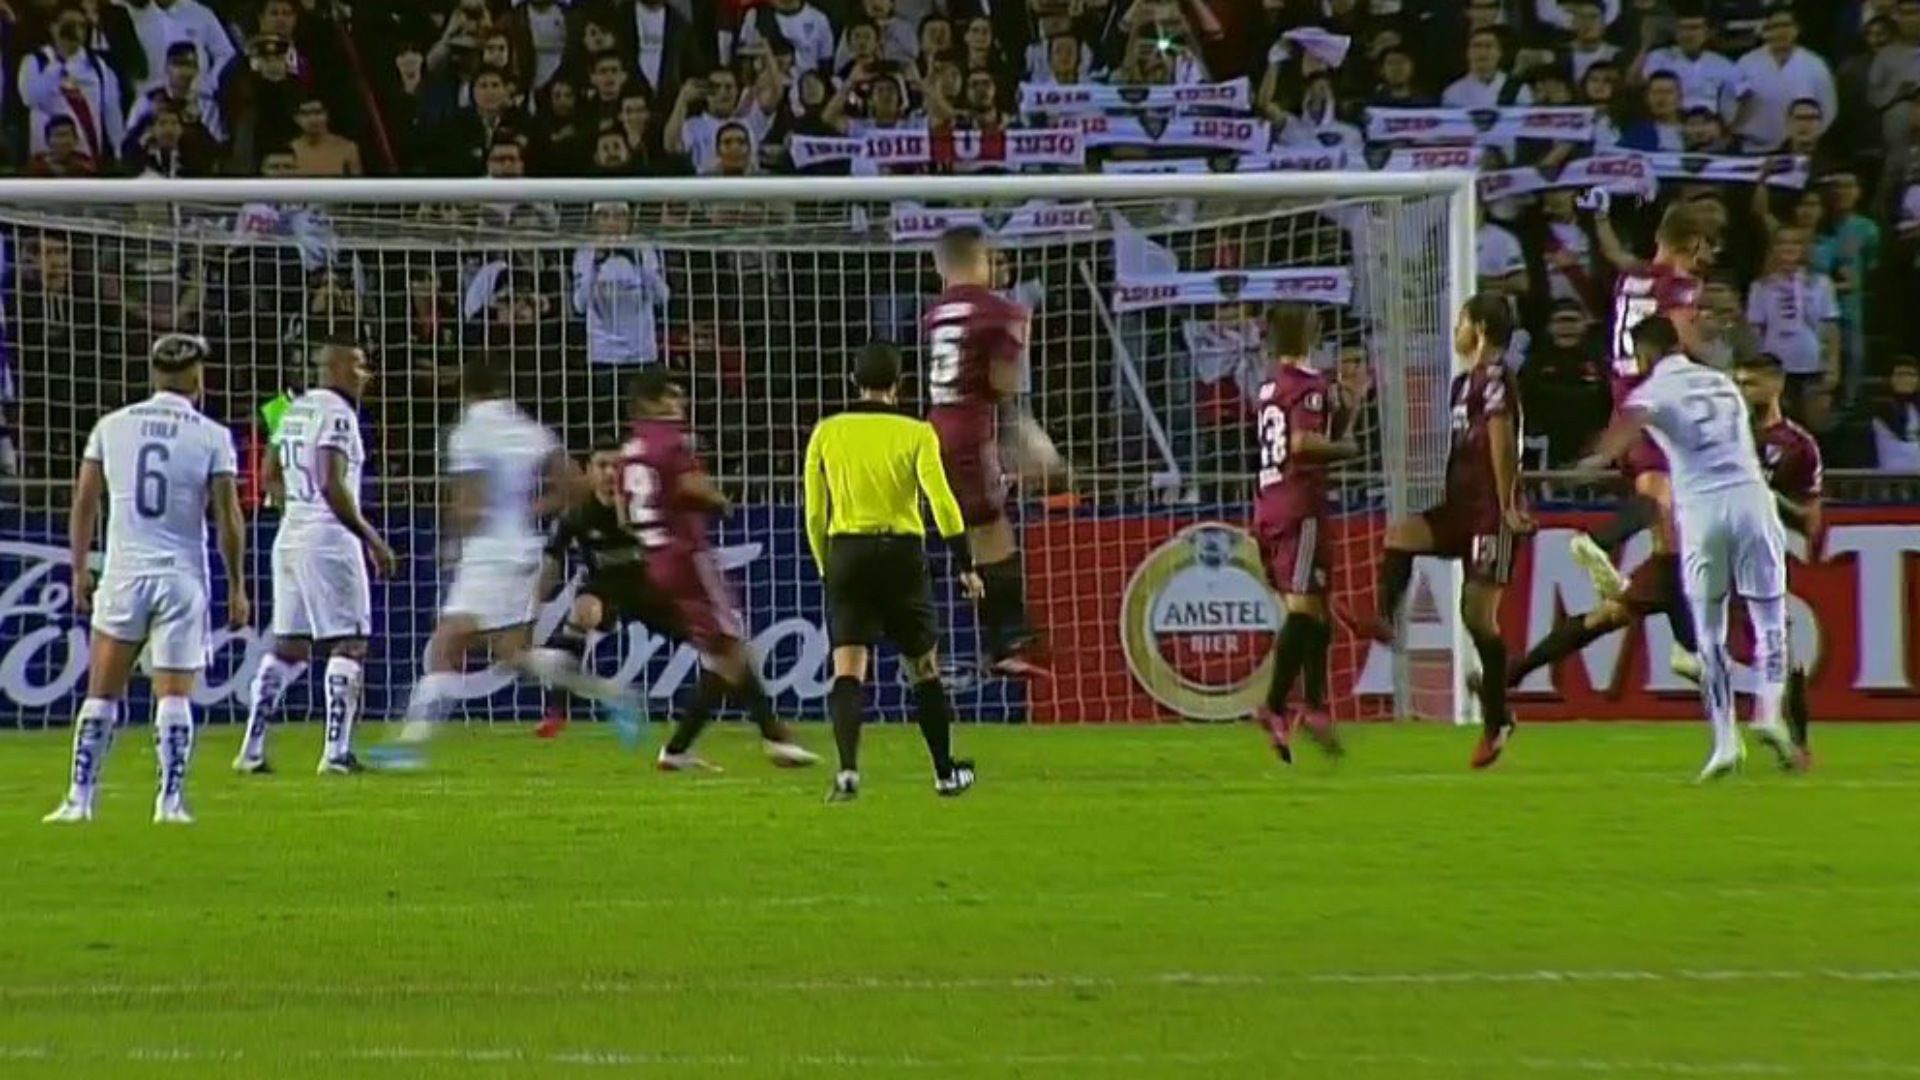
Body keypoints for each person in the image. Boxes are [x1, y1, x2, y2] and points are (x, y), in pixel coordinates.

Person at [377, 357, 640, 768]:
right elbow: (575, 484)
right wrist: (528, 510)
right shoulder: (527, 429)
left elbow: (469, 502)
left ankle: (408, 747)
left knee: (446, 646)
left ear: (466, 392)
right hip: (523, 549)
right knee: (512, 653)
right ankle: (608, 693)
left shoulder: (467, 433)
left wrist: (451, 542)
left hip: (488, 553)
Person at [46, 335, 249, 824]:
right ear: (197, 379)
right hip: (181, 577)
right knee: (174, 695)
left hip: (124, 573)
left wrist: (78, 568)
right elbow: (229, 517)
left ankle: (79, 798)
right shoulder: (212, 435)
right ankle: (170, 801)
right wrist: (238, 585)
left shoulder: (111, 426)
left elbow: (85, 502)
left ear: (153, 374)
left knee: (101, 693)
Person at [1580, 317, 1794, 780]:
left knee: (1710, 632)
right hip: (1753, 500)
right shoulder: (1720, 381)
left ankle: (1724, 742)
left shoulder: (1654, 389)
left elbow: (1631, 422)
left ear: (1647, 354)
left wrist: (1599, 455)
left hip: (1703, 510)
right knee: (1769, 617)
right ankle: (1770, 713)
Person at [1349, 294, 1532, 770]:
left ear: (1481, 329)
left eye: (1461, 322)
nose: (1455, 331)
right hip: (1460, 508)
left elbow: (1501, 439)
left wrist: (1510, 503)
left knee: (1476, 618)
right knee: (1400, 535)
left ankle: (1497, 720)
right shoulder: (1459, 385)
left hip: (1491, 512)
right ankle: (1385, 619)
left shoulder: (1494, 379)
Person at [803, 342, 981, 802]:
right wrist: (965, 563)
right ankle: (944, 773)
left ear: (853, 380)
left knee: (848, 666)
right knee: (923, 668)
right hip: (901, 553)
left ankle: (846, 771)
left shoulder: (827, 431)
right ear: (899, 385)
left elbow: (814, 512)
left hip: (846, 550)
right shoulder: (916, 432)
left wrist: (828, 565)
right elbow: (941, 500)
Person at [622, 370, 819, 771]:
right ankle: (772, 737)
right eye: (672, 396)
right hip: (688, 556)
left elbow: (624, 516)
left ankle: (683, 749)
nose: (681, 403)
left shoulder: (630, 450)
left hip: (654, 557)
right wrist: (720, 502)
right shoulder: (673, 440)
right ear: (650, 403)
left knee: (723, 653)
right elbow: (693, 487)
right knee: (731, 643)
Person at [237, 339, 397, 776]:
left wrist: (299, 512)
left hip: (290, 537)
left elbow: (268, 476)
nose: (367, 376)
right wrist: (370, 537)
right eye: (360, 366)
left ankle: (251, 748)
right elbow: (330, 480)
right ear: (339, 368)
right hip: (330, 539)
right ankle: (336, 752)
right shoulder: (337, 414)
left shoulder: (295, 409)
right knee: (350, 642)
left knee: (289, 648)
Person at [1572, 196, 1712, 668]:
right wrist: (1720, 364)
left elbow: (1616, 255)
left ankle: (1686, 646)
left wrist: (1600, 220)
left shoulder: (1632, 275)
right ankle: (1600, 540)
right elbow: (1682, 333)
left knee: (1668, 535)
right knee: (1660, 500)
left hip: (1622, 390)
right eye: (1703, 248)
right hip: (1657, 395)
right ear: (1692, 244)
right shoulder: (1683, 284)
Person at [924, 226, 1057, 678]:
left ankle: (1003, 640)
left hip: (933, 428)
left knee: (970, 534)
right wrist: (1026, 443)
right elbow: (1001, 386)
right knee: (992, 532)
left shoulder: (937, 311)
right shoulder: (1001, 310)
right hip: (971, 431)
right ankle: (1006, 641)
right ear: (979, 259)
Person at [1249, 305, 1361, 763]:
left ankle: (1313, 706)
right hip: (1300, 506)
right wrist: (1347, 445)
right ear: (1311, 333)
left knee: (1315, 608)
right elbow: (1303, 444)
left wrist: (1350, 408)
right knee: (1303, 608)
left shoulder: (1270, 386)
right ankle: (1276, 704)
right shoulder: (1310, 389)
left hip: (1268, 503)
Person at [532, 444, 665, 740]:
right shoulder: (577, 516)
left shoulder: (642, 509)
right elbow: (553, 559)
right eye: (602, 466)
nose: (609, 473)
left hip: (648, 588)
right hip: (603, 588)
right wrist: (536, 603)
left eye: (616, 466)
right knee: (582, 613)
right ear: (589, 472)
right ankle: (556, 713)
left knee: (703, 635)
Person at [1736, 354, 1820, 767]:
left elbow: (1810, 522)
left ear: (1776, 385)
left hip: (1764, 554)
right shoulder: (1726, 436)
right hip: (1717, 547)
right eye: (1739, 384)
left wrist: (1766, 494)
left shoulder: (1799, 446)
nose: (1744, 392)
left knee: (1786, 651)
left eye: (1751, 384)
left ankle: (1797, 744)